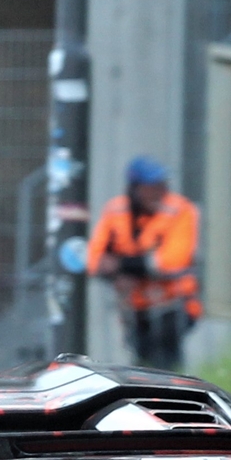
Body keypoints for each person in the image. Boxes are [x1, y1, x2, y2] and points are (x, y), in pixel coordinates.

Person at [87, 155, 201, 371]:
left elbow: (173, 261)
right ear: (135, 188)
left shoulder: (180, 210)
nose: (159, 192)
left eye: (162, 186)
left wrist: (121, 266)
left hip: (174, 304)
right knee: (140, 362)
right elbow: (95, 260)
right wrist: (121, 269)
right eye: (152, 187)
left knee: (166, 361)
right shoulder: (115, 211)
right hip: (135, 308)